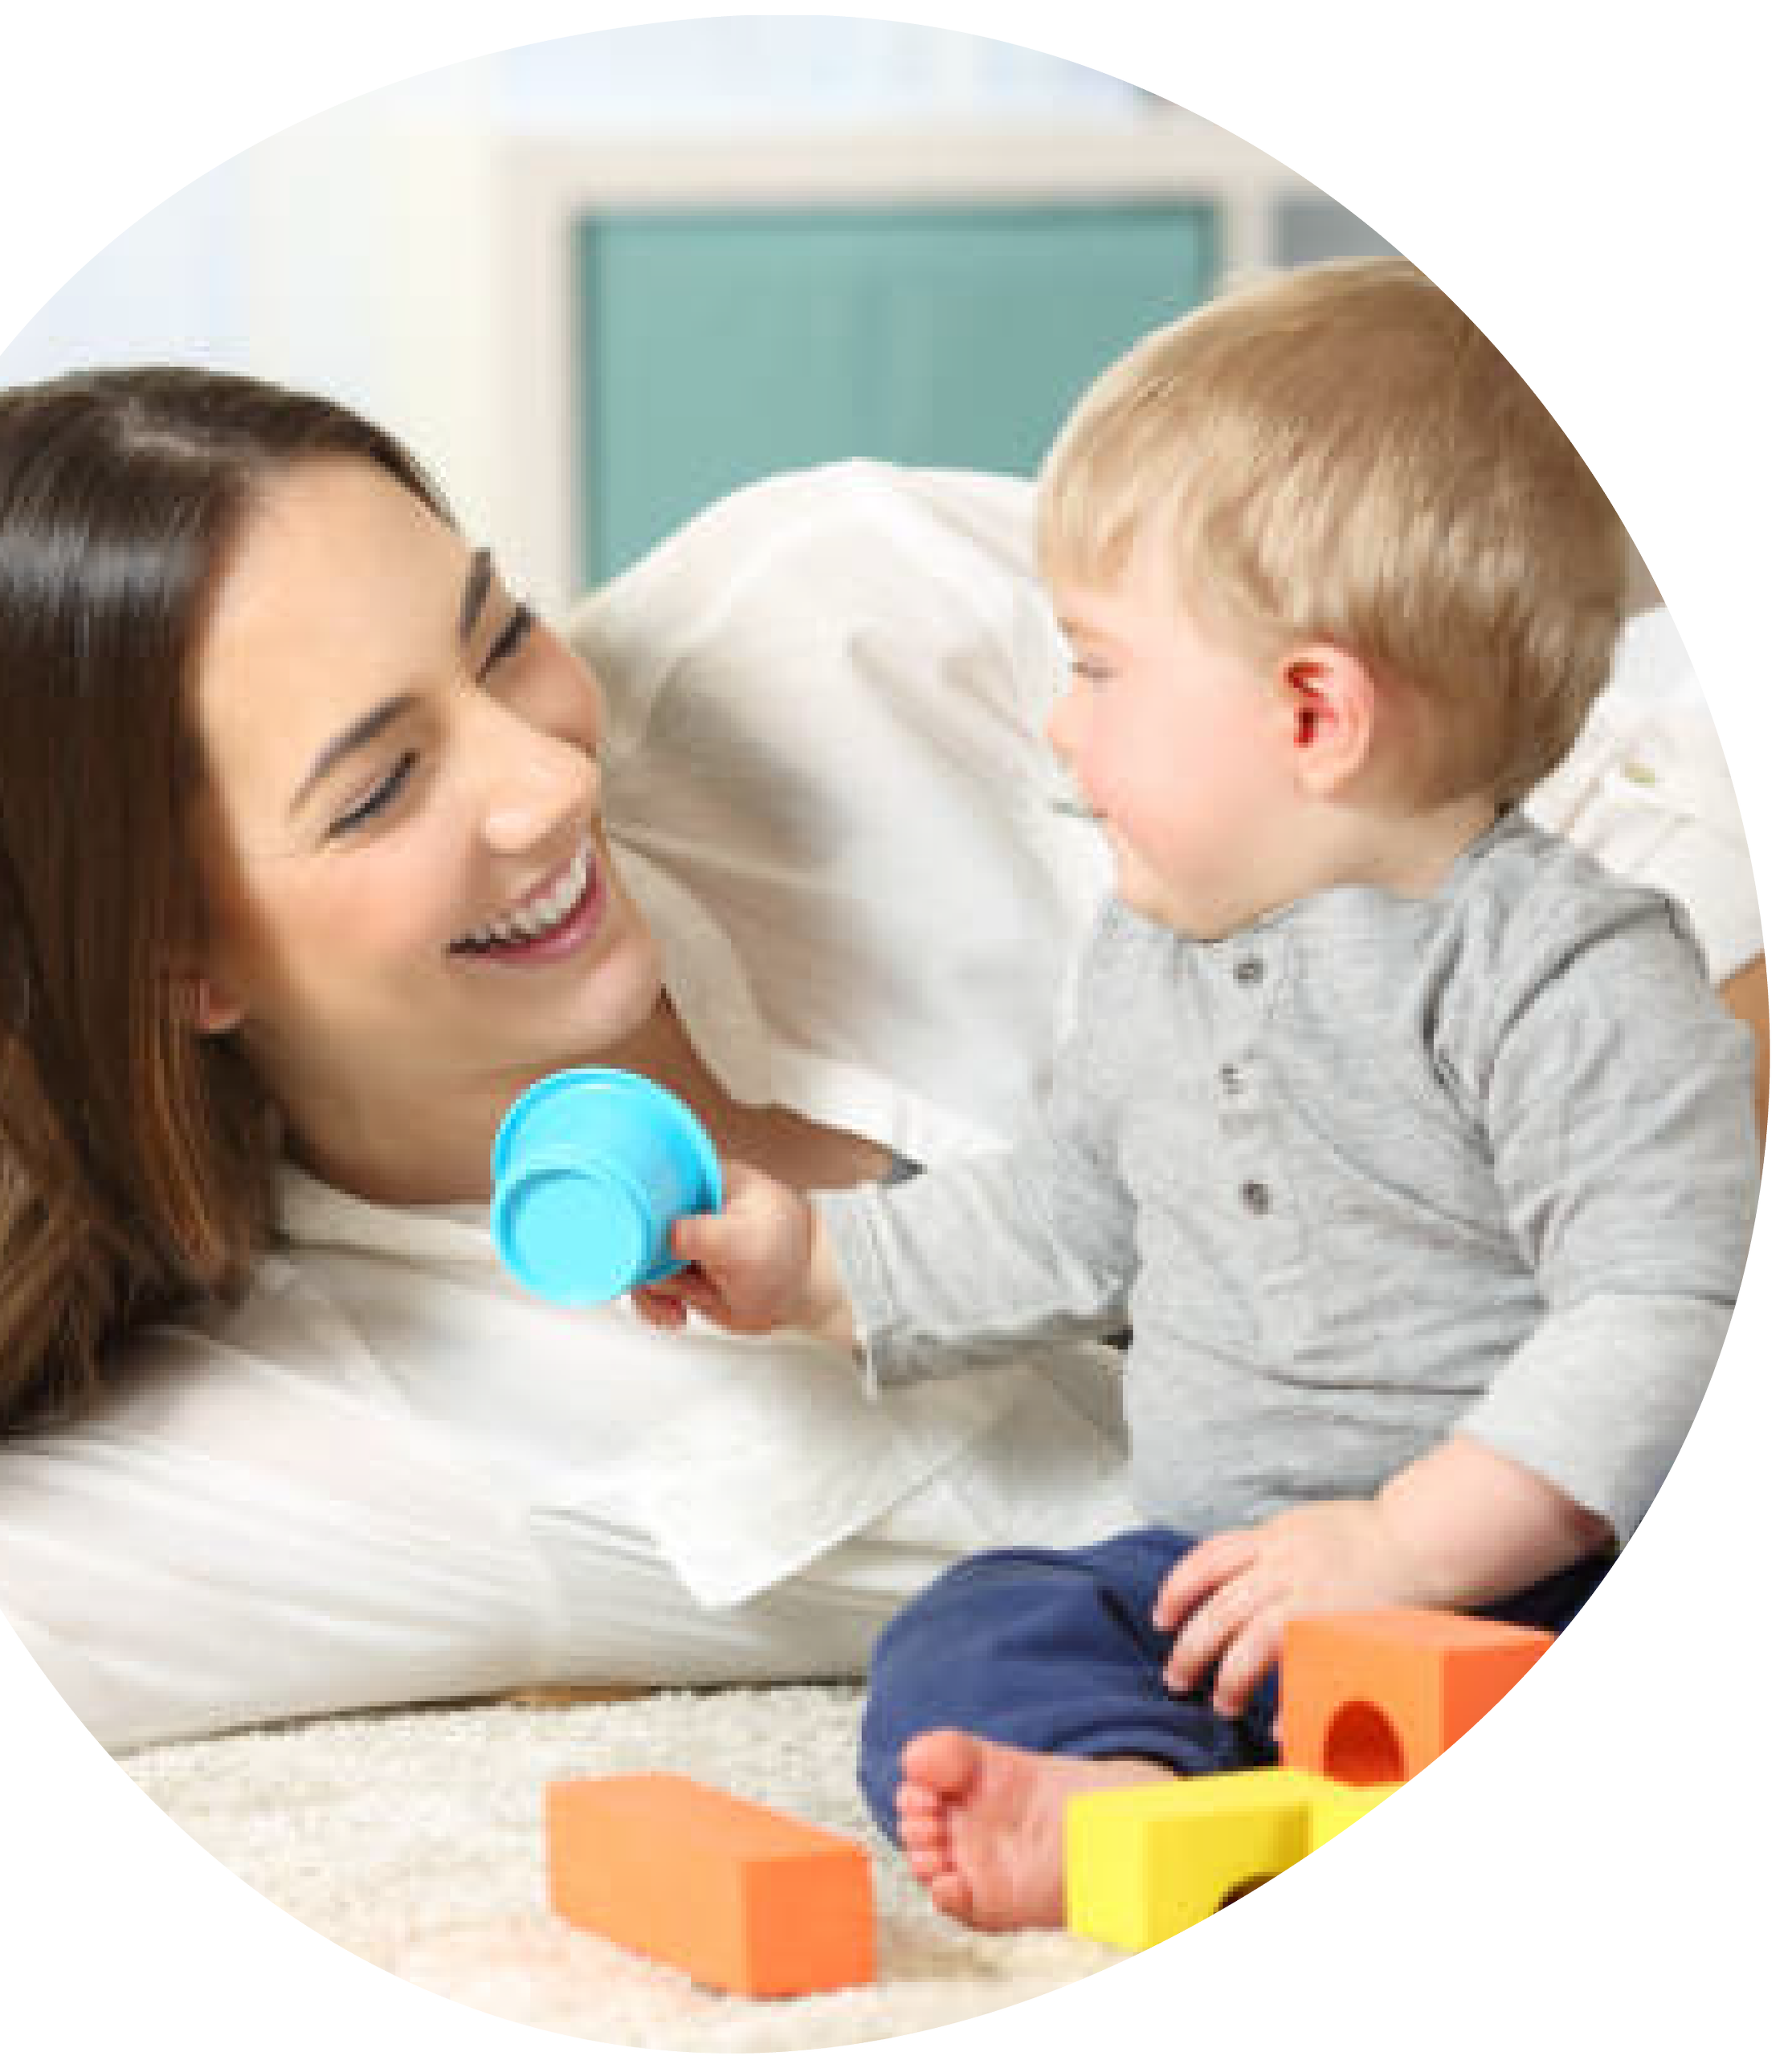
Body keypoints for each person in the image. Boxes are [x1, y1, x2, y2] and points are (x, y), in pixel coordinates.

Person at [0, 352, 1766, 1761]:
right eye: (383, 786)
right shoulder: (340, 1438)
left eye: (497, 636)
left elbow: (1601, 727)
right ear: (171, 959)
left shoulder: (843, 610)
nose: (546, 777)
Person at [639, 260, 1765, 1930]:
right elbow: (1069, 1209)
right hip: (1222, 1576)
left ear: (1313, 713)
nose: (1056, 724)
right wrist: (815, 1268)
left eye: (1097, 669)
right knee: (976, 1627)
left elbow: (1657, 1309)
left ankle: (1399, 1816)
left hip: (1531, 1577)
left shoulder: (1568, 970)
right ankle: (1132, 1799)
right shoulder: (1151, 955)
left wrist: (1404, 1548)